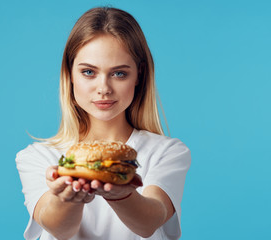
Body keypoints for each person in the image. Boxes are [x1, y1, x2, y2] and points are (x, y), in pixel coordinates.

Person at [16, 7, 191, 240]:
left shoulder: (167, 152)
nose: (104, 89)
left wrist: (121, 195)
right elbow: (59, 229)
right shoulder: (39, 157)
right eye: (89, 72)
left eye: (119, 74)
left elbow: (149, 223)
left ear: (139, 75)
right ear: (70, 75)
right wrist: (66, 198)